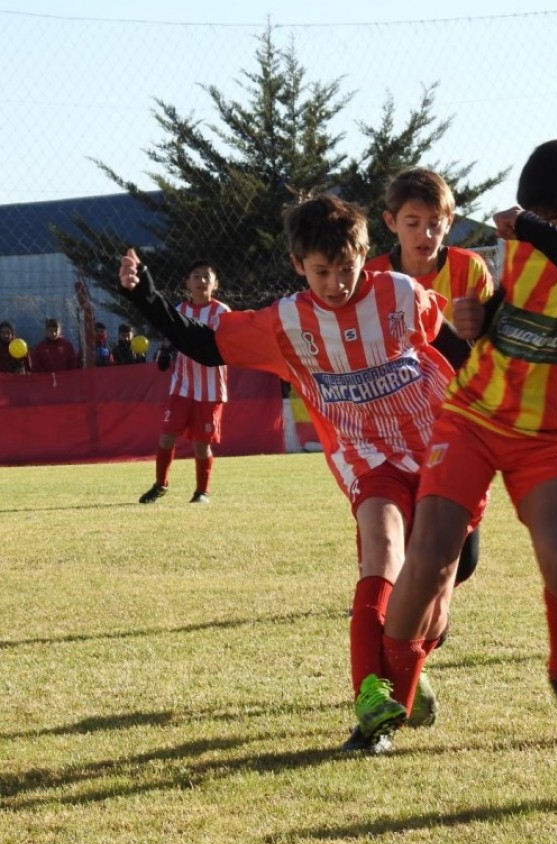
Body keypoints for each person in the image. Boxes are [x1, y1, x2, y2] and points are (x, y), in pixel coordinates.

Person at [118, 194, 473, 754]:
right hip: (366, 458)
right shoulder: (286, 322)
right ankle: (372, 712)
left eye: (346, 268)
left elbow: (456, 344)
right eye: (320, 272)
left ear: (365, 255)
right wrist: (142, 294)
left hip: (440, 455)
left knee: (438, 593)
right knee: (382, 553)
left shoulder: (401, 295)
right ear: (298, 266)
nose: (335, 283)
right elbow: (203, 345)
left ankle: (413, 659)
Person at [353, 139, 557, 749]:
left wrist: (537, 233)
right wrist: (481, 318)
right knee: (430, 557)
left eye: (551, 222)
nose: (536, 231)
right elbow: (514, 315)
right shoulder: (528, 239)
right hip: (474, 413)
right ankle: (383, 715)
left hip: (553, 433)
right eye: (535, 222)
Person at [365, 166, 496, 585]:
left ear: (449, 223)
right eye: (413, 223)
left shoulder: (470, 270)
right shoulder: (372, 276)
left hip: (458, 422)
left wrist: (480, 332)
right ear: (391, 223)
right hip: (394, 427)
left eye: (435, 224)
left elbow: (489, 348)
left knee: (463, 560)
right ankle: (387, 604)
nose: (425, 234)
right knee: (392, 527)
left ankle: (416, 600)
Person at [137, 261, 230, 505]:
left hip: (210, 389)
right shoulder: (179, 310)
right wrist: (165, 352)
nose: (201, 281)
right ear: (187, 283)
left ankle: (202, 492)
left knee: (201, 444)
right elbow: (172, 336)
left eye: (206, 277)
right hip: (182, 386)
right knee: (167, 436)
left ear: (215, 284)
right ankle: (160, 485)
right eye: (196, 276)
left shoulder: (223, 312)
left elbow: (230, 344)